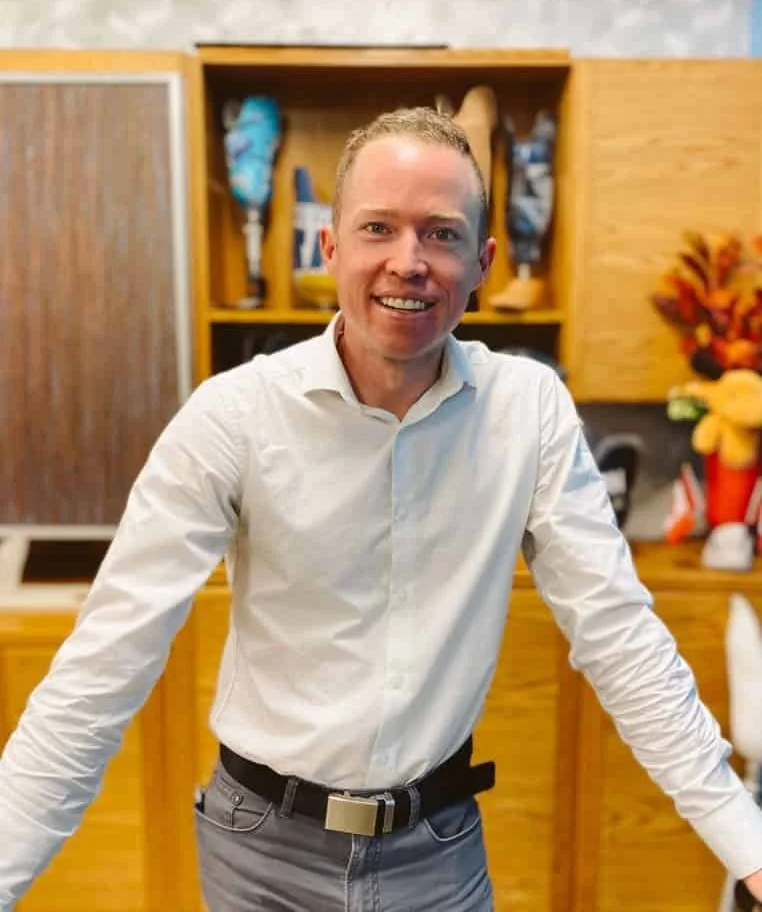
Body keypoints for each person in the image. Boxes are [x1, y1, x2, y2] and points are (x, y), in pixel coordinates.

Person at [1, 106, 762, 911]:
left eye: (441, 233)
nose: (409, 262)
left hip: (437, 852)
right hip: (260, 852)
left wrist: (748, 849)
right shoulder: (234, 415)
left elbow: (619, 637)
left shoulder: (528, 409)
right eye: (378, 228)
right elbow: (105, 662)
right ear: (331, 249)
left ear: (483, 262)